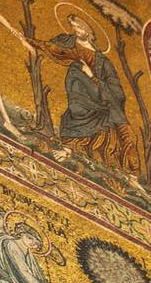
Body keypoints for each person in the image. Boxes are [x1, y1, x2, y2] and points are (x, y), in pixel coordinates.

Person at [45, 13, 133, 168]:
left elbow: (115, 89)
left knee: (125, 131)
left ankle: (130, 171)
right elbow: (51, 48)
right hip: (79, 90)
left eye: (79, 27)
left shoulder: (103, 61)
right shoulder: (70, 43)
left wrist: (92, 76)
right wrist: (28, 41)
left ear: (88, 30)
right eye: (74, 27)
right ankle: (68, 149)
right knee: (75, 112)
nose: (76, 30)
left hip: (101, 95)